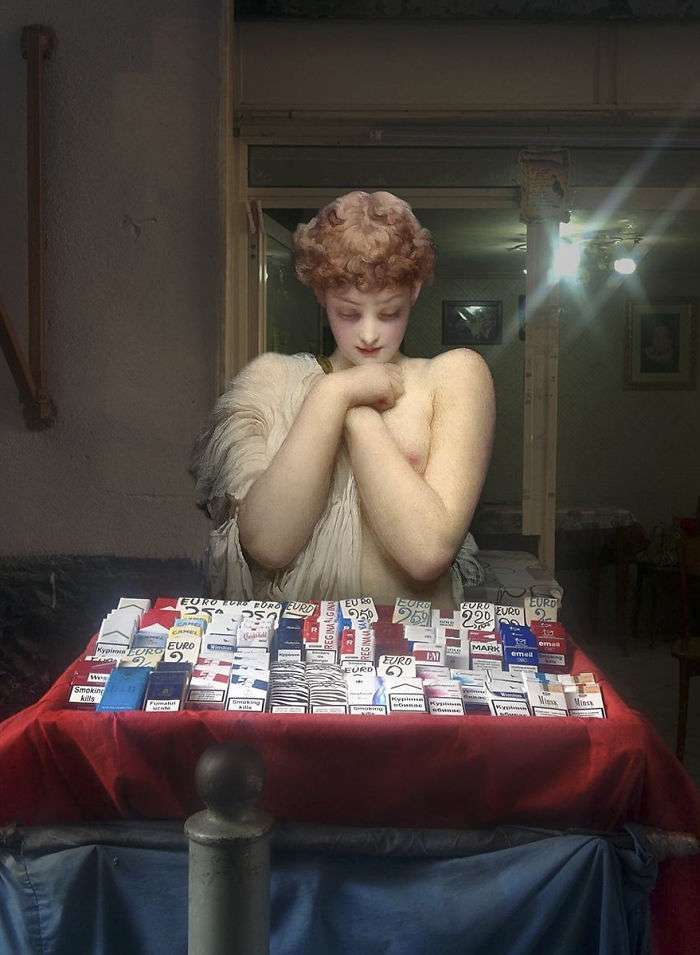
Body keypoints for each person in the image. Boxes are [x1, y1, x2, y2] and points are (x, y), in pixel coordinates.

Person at [190, 190, 495, 611]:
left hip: (411, 641)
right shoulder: (277, 381)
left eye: (389, 313)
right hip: (300, 641)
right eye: (348, 313)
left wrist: (358, 417)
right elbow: (270, 546)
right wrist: (333, 394)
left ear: (414, 292)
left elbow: (427, 554)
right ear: (321, 295)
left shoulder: (452, 376)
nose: (369, 335)